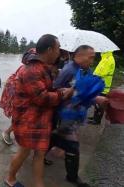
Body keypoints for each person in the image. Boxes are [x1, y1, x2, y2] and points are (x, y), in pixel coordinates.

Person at [5, 34, 73, 187]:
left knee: (40, 153)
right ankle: (10, 179)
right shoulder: (32, 70)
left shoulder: (43, 68)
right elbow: (41, 98)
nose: (58, 52)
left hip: (40, 118)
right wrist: (62, 94)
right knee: (24, 151)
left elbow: (46, 90)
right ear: (49, 50)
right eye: (57, 48)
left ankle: (39, 184)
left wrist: (58, 90)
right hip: (28, 119)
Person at [50, 45, 109, 187]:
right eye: (91, 57)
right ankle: (72, 177)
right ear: (80, 56)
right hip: (65, 115)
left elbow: (84, 91)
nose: (93, 61)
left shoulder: (85, 70)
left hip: (75, 115)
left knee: (54, 141)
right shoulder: (69, 70)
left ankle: (42, 153)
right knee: (71, 145)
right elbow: (55, 90)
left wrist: (96, 98)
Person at [90, 51, 116, 124]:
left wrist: (94, 76)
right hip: (99, 83)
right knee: (97, 101)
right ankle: (95, 117)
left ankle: (97, 120)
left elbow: (103, 72)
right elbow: (98, 70)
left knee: (100, 103)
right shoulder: (105, 58)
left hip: (103, 85)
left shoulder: (109, 59)